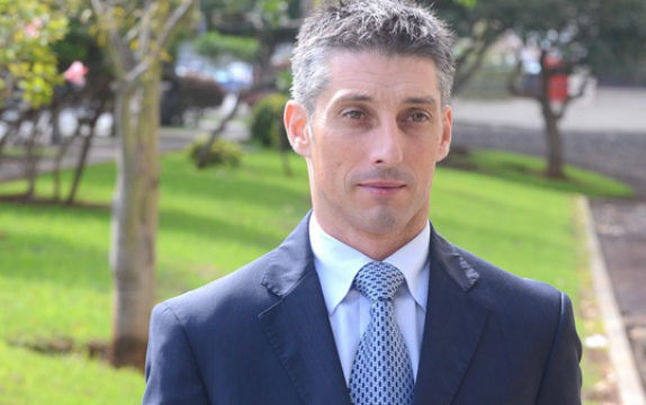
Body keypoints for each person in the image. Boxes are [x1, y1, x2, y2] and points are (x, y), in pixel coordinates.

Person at [142, 1, 583, 404]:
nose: (388, 151)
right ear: (299, 129)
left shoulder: (535, 328)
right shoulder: (201, 336)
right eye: (356, 114)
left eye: (415, 116)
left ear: (444, 133)